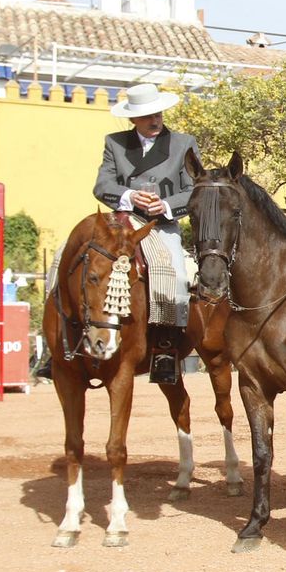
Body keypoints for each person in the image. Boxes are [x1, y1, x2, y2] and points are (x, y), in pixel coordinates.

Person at [92, 83, 199, 385]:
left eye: (158, 114)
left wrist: (164, 205)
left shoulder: (182, 143)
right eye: (147, 116)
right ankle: (64, 341)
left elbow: (193, 190)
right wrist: (129, 196)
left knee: (172, 273)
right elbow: (102, 185)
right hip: (121, 223)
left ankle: (165, 349)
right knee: (71, 258)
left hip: (160, 224)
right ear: (133, 119)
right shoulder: (115, 143)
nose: (155, 121)